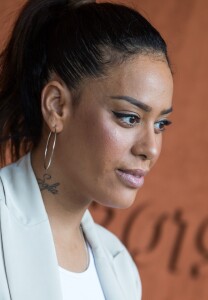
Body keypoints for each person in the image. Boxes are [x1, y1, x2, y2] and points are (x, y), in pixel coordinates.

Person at [0, 0, 173, 299]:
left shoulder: (121, 267)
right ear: (57, 106)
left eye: (160, 124)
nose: (151, 148)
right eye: (129, 118)